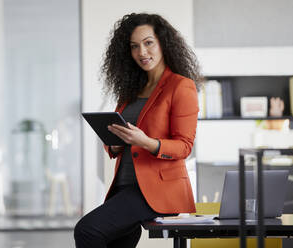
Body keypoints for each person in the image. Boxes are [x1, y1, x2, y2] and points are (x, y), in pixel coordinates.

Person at [74, 13, 202, 248]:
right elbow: (120, 135)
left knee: (88, 231)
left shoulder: (181, 86)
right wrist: (113, 143)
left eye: (148, 43)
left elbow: (184, 146)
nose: (142, 52)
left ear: (163, 43)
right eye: (134, 46)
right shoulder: (131, 90)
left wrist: (145, 141)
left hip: (156, 191)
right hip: (124, 186)